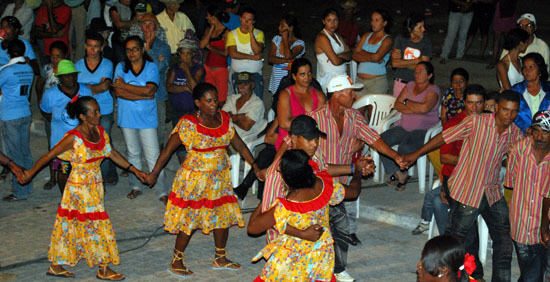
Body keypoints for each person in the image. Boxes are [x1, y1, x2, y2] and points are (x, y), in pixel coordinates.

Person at [21, 96, 147, 280]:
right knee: (92, 224)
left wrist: (135, 170)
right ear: (82, 116)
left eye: (98, 110)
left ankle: (57, 265)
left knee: (75, 224)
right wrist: (30, 173)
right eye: (94, 112)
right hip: (78, 189)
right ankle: (103, 267)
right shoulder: (74, 137)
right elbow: (50, 155)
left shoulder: (100, 131)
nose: (99, 114)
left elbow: (110, 152)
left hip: (94, 186)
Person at [404, 90, 524, 281]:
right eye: (505, 110)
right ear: (495, 108)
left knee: (504, 242)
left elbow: (520, 161)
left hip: (492, 191)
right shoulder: (476, 122)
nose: (509, 115)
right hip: (467, 190)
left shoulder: (515, 134)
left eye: (514, 111)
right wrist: (415, 154)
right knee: (456, 245)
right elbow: (444, 137)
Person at [144, 83, 258, 277]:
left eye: (215, 100)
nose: (214, 104)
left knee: (222, 216)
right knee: (190, 219)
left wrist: (255, 165)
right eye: (208, 101)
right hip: (194, 180)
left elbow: (239, 144)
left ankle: (220, 257)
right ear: (197, 103)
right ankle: (176, 260)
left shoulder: (224, 120)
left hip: (219, 178)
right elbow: (168, 150)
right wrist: (154, 173)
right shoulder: (188, 124)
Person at [248, 149, 369, 281]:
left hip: (292, 261)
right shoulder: (325, 186)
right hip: (320, 257)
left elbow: (253, 228)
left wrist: (264, 200)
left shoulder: (286, 206)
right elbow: (353, 192)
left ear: (286, 178)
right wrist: (357, 173)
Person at [412, 85, 485, 235]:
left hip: (479, 181)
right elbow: (445, 157)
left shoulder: (489, 123)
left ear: (484, 103)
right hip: (454, 177)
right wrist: (472, 160)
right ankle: (448, 239)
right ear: (464, 103)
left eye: (479, 103)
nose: (475, 107)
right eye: (471, 102)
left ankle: (456, 238)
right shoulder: (455, 124)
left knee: (442, 200)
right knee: (438, 200)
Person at [113, 36, 169, 203]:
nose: (131, 53)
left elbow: (150, 91)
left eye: (135, 49)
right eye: (128, 50)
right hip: (127, 118)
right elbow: (119, 92)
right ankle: (135, 186)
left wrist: (125, 87)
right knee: (133, 153)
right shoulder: (121, 67)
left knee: (153, 155)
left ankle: (161, 190)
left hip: (147, 119)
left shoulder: (151, 67)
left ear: (142, 49)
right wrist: (138, 92)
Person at [504, 110, 550, 281]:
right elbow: (511, 183)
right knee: (531, 273)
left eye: (545, 132)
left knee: (537, 272)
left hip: (545, 225)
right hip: (521, 224)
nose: (539, 136)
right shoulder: (518, 150)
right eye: (536, 130)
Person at [381, 62, 440, 191]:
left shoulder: (433, 90)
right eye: (416, 71)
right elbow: (397, 104)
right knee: (380, 141)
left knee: (405, 147)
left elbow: (424, 108)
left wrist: (407, 102)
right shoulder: (410, 85)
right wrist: (415, 108)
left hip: (423, 130)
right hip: (403, 127)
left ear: (430, 75)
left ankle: (399, 175)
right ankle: (400, 173)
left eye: (421, 71)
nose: (417, 74)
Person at [40, 59, 93, 195]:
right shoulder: (51, 94)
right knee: (63, 173)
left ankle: (81, 197)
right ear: (59, 78)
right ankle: (65, 199)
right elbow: (45, 112)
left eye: (74, 74)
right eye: (68, 75)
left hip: (81, 142)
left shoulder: (85, 90)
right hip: (61, 143)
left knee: (82, 172)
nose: (72, 78)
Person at [74, 32, 117, 186]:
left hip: (103, 110)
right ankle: (106, 174)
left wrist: (85, 87)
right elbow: (83, 89)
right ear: (85, 46)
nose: (92, 50)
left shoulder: (107, 64)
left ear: (101, 47)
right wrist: (95, 86)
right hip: (85, 112)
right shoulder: (78, 65)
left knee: (102, 144)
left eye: (96, 46)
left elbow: (105, 86)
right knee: (89, 144)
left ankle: (102, 180)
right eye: (89, 46)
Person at [0, 40, 34, 201]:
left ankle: (19, 191)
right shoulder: (28, 68)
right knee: (25, 151)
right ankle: (28, 185)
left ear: (9, 53)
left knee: (15, 156)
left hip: (10, 115)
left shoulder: (7, 70)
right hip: (25, 112)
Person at [36, 40, 69, 191]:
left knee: (67, 147)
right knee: (53, 146)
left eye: (59, 56)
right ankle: (53, 176)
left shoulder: (69, 70)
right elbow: (39, 83)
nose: (55, 59)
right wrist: (40, 99)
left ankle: (66, 174)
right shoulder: (47, 69)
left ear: (65, 56)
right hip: (50, 112)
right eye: (53, 56)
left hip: (66, 114)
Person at [166, 39, 205, 163]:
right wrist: (184, 87)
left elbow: (195, 89)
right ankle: (184, 169)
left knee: (195, 142)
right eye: (183, 53)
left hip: (193, 112)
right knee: (180, 142)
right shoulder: (175, 69)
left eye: (188, 53)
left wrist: (187, 70)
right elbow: (169, 87)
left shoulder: (198, 69)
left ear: (193, 54)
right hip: (178, 112)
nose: (185, 57)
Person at [276, 58, 326, 150]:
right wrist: (310, 123)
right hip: (289, 143)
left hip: (312, 141)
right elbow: (284, 124)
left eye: (309, 73)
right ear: (294, 76)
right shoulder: (286, 95)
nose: (307, 77)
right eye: (302, 74)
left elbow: (322, 123)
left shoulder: (319, 96)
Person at [139, 13, 172, 148]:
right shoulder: (135, 44)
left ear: (156, 27)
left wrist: (148, 51)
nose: (147, 28)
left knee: (158, 128)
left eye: (150, 24)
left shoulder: (164, 47)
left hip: (158, 94)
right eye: (144, 24)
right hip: (138, 93)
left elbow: (158, 69)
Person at [226, 6, 265, 99]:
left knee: (256, 101)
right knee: (238, 101)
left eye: (249, 20)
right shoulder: (232, 34)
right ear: (240, 19)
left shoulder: (258, 33)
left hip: (255, 74)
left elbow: (257, 50)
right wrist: (252, 57)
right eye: (244, 18)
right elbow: (232, 53)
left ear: (253, 22)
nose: (246, 22)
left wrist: (251, 33)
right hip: (237, 74)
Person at [352, 9, 393, 96]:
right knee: (355, 109)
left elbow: (376, 57)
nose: (373, 23)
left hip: (377, 82)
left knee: (373, 109)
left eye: (377, 20)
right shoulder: (366, 36)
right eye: (372, 20)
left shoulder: (387, 40)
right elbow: (354, 55)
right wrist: (373, 57)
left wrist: (361, 52)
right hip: (360, 81)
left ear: (384, 23)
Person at [391, 13, 432, 97]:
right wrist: (417, 61)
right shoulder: (401, 39)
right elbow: (395, 64)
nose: (423, 29)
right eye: (419, 27)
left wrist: (402, 63)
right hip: (401, 82)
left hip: (417, 84)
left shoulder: (426, 42)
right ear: (410, 29)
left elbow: (423, 68)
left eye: (423, 26)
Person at [510, 53, 550, 133]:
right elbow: (509, 113)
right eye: (525, 67)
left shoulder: (548, 89)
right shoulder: (515, 90)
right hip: (520, 135)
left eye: (531, 67)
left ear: (540, 70)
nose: (527, 70)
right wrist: (526, 128)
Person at [314, 8, 351, 92]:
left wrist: (339, 56)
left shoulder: (337, 35)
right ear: (324, 21)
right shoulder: (322, 37)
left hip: (342, 76)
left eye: (335, 20)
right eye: (329, 20)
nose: (332, 23)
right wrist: (341, 56)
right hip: (330, 79)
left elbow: (350, 54)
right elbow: (336, 61)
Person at [268, 14, 305, 96]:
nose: (279, 28)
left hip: (290, 81)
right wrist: (288, 61)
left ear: (290, 28)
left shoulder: (299, 43)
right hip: (276, 81)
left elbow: (288, 55)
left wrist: (285, 38)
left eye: (282, 25)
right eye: (279, 25)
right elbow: (270, 59)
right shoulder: (276, 39)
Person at [199, 5, 229, 105]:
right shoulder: (209, 30)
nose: (206, 18)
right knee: (209, 97)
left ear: (213, 17)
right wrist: (212, 28)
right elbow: (202, 45)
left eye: (208, 15)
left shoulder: (226, 32)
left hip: (220, 69)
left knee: (221, 99)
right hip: (208, 68)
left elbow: (226, 53)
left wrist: (210, 48)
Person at [222, 72, 265, 139]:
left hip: (244, 138)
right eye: (239, 84)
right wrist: (237, 117)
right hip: (226, 135)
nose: (242, 87)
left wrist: (231, 116)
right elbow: (221, 116)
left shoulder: (257, 103)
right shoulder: (232, 98)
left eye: (246, 84)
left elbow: (246, 126)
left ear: (252, 85)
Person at [32, 0, 71, 67]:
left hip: (61, 53)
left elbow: (54, 29)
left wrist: (49, 9)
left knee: (63, 76)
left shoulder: (65, 9)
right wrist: (54, 35)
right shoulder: (42, 9)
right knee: (47, 76)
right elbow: (37, 33)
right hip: (46, 52)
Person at [487, 0, 518, 69]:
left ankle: (509, 60)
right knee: (496, 40)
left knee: (509, 40)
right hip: (500, 12)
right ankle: (494, 60)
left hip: (509, 13)